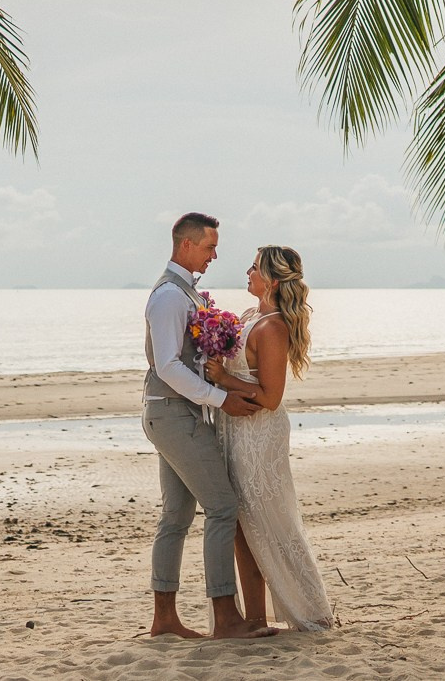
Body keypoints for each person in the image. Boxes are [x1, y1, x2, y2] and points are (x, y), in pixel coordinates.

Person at [142, 212, 273, 639]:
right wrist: (221, 398)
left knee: (176, 516)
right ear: (186, 244)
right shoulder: (169, 297)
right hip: (173, 413)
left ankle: (165, 621)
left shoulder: (187, 293)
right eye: (209, 247)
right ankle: (226, 617)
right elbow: (167, 366)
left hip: (176, 413)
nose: (214, 256)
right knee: (222, 507)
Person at [203, 245, 334, 631]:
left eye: (255, 267)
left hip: (259, 435)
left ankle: (311, 610)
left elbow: (271, 397)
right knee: (241, 524)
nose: (248, 271)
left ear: (272, 281)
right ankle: (256, 618)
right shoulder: (248, 316)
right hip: (233, 429)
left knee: (269, 521)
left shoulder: (273, 327)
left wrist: (224, 379)